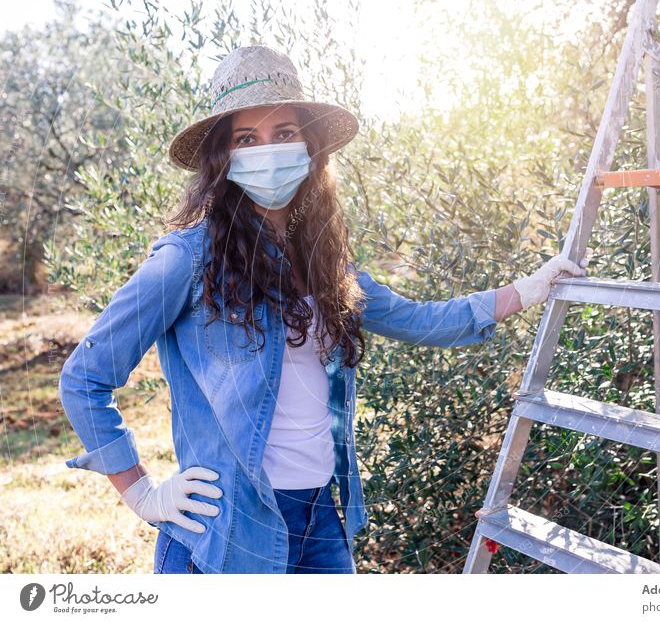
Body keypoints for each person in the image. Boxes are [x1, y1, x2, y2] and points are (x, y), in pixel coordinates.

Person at [59, 45, 589, 574]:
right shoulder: (186, 259)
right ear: (223, 158)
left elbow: (423, 320)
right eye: (247, 139)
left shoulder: (326, 264)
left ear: (309, 147)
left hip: (319, 519)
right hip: (230, 529)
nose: (268, 150)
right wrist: (143, 493)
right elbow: (85, 377)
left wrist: (529, 288)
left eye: (283, 133)